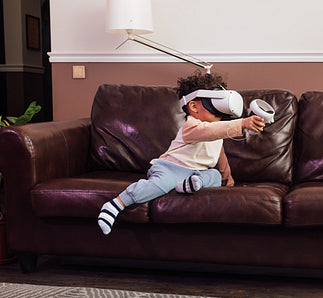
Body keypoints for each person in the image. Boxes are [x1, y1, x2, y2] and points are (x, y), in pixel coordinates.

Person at [97, 71, 265, 235]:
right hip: (170, 168)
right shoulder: (191, 126)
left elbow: (220, 159)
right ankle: (116, 204)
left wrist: (229, 184)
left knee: (214, 175)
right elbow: (208, 131)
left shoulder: (216, 133)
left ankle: (189, 184)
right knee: (160, 184)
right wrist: (241, 123)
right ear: (193, 106)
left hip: (195, 173)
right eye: (215, 103)